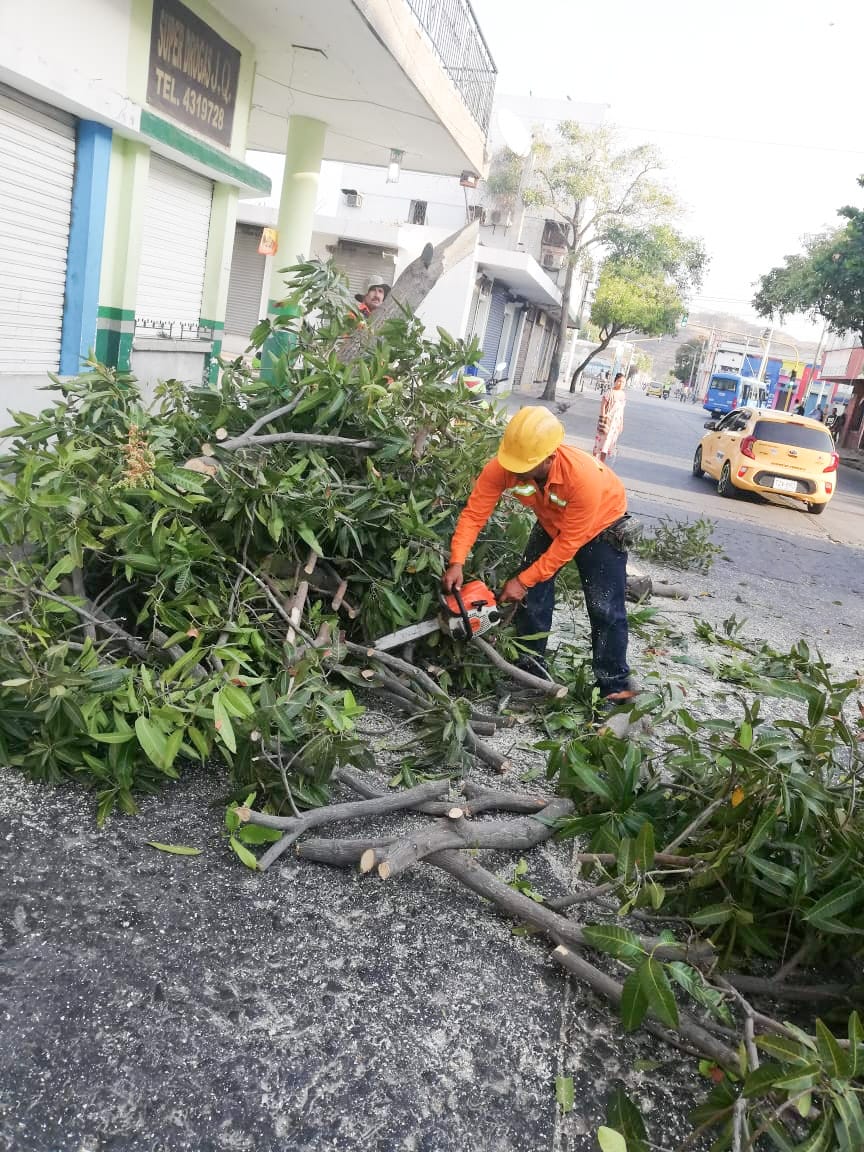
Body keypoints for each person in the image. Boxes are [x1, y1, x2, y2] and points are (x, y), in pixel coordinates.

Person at [442, 406, 637, 705]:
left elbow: (568, 544)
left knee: (604, 608)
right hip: (552, 521)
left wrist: (523, 580)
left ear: (549, 456)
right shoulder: (505, 466)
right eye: (513, 464)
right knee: (532, 599)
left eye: (523, 466)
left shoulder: (582, 479)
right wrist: (457, 561)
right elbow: (474, 514)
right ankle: (530, 673)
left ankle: (616, 687)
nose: (515, 472)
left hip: (602, 525)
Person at [594, 372, 626, 463]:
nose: (621, 384)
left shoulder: (623, 395)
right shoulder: (609, 392)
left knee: (608, 444)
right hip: (607, 420)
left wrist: (621, 423)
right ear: (615, 381)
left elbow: (622, 410)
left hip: (615, 424)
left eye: (623, 382)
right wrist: (603, 418)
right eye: (619, 381)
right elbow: (603, 406)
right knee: (600, 442)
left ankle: (602, 463)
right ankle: (594, 461)